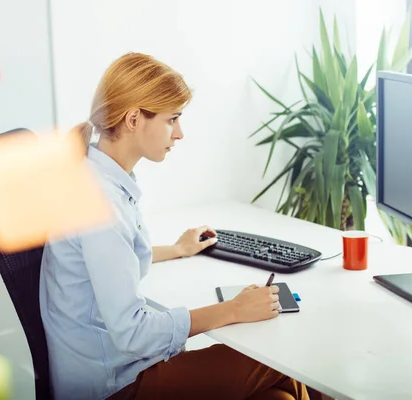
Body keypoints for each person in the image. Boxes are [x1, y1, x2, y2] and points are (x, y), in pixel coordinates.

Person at [39, 52, 310, 400]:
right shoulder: (100, 203)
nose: (179, 133)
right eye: (173, 119)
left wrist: (178, 250)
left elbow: (108, 261)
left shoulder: (98, 175)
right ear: (134, 118)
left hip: (117, 368)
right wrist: (233, 310)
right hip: (115, 386)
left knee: (280, 397)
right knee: (281, 364)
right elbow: (132, 332)